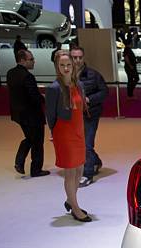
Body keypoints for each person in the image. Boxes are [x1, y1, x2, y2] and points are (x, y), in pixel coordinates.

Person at [45, 50, 92, 222]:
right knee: (70, 172)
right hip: (64, 134)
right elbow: (50, 116)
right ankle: (75, 208)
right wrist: (53, 133)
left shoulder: (78, 85)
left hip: (78, 131)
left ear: (73, 66)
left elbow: (80, 107)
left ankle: (69, 200)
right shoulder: (54, 88)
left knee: (79, 169)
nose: (66, 68)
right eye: (62, 65)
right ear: (57, 67)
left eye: (68, 65)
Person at [7, 50, 50, 177]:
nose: (33, 61)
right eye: (31, 59)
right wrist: (45, 99)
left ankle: (20, 162)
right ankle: (35, 169)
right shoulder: (27, 76)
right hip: (31, 115)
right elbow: (34, 97)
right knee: (37, 141)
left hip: (18, 114)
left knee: (30, 138)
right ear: (22, 60)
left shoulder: (10, 73)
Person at [70, 46, 107, 187]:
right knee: (80, 143)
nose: (77, 60)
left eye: (80, 57)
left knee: (87, 143)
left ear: (83, 58)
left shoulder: (93, 75)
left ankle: (87, 174)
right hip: (73, 115)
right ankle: (96, 162)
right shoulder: (67, 75)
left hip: (90, 114)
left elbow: (104, 92)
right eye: (74, 57)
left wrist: (89, 99)